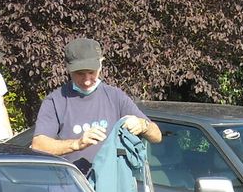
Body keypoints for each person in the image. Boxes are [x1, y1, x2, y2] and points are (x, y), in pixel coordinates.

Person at [31, 37, 161, 174]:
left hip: (107, 190)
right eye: (80, 74)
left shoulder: (115, 97)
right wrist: (77, 144)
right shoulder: (55, 101)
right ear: (68, 69)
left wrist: (143, 125)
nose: (87, 81)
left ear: (101, 64)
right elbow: (38, 145)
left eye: (92, 72)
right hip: (69, 189)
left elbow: (157, 136)